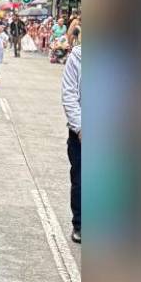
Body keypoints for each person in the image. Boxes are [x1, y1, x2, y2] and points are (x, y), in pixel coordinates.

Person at [60, 41, 82, 243]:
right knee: (82, 180)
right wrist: (80, 127)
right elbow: (69, 94)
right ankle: (80, 224)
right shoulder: (78, 57)